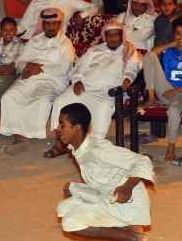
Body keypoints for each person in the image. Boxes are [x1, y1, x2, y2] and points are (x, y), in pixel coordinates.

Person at [56, 103, 154, 241]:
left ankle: (132, 238)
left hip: (126, 201)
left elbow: (143, 160)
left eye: (62, 125)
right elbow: (101, 180)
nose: (58, 129)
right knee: (63, 207)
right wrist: (77, 188)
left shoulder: (98, 150)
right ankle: (131, 228)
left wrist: (128, 186)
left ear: (77, 128)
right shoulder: (80, 149)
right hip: (108, 196)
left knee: (70, 222)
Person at [46, 20, 141, 158]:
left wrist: (127, 79)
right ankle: (60, 144)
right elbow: (79, 66)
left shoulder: (129, 51)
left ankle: (93, 147)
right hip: (85, 87)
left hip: (108, 91)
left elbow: (132, 69)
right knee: (61, 100)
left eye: (116, 35)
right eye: (110, 35)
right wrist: (77, 80)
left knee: (103, 108)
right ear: (104, 36)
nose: (113, 38)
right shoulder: (94, 50)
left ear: (122, 36)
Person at [0, 8, 74, 155]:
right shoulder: (34, 41)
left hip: (52, 80)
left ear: (59, 24)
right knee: (8, 97)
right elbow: (20, 62)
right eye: (47, 24)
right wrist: (28, 66)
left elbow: (63, 69)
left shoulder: (66, 44)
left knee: (43, 101)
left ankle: (25, 135)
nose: (51, 27)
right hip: (29, 76)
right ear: (43, 24)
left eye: (54, 24)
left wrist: (38, 68)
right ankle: (19, 135)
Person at [140, 17, 182, 161]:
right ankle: (150, 98)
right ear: (174, 35)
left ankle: (171, 146)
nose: (181, 36)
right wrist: (173, 44)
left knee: (173, 111)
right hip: (165, 90)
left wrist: (175, 91)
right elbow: (153, 52)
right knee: (149, 55)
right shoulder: (169, 51)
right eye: (178, 33)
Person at [17, 0, 97, 40]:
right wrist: (11, 31)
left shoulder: (70, 0)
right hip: (28, 39)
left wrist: (80, 16)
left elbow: (93, 7)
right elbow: (24, 24)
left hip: (52, 41)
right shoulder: (36, 1)